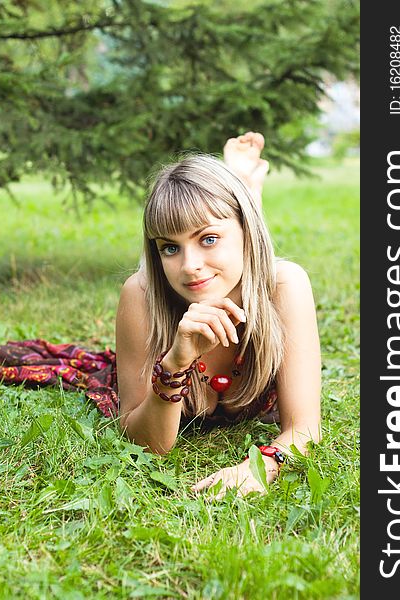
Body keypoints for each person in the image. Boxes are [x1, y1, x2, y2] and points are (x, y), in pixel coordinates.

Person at [115, 131, 321, 499]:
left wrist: (260, 468)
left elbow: (304, 429)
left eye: (208, 238)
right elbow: (150, 446)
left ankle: (243, 186)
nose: (190, 267)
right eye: (170, 247)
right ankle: (236, 189)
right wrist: (175, 363)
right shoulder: (142, 293)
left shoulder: (285, 286)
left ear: (246, 230)